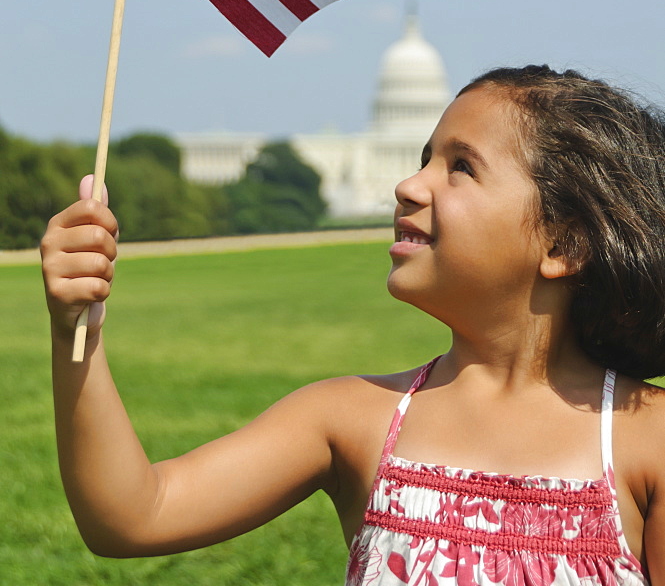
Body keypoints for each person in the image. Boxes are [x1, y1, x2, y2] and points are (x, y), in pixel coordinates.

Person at [40, 65, 665, 584]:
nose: (409, 184)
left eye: (460, 167)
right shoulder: (350, 417)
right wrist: (79, 333)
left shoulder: (648, 440)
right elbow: (134, 515)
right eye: (424, 157)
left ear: (566, 245)